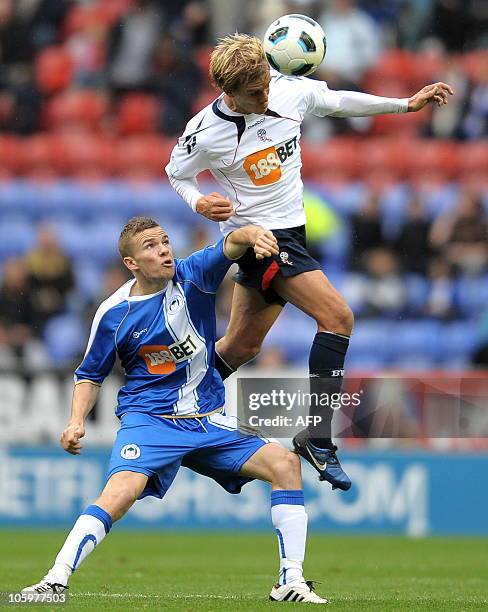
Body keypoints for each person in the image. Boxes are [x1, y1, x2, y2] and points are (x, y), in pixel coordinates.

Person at [165, 33, 454, 490]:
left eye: (265, 83)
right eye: (255, 92)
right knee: (338, 317)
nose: (265, 94)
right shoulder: (205, 131)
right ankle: (319, 437)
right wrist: (199, 203)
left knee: (240, 347)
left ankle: (170, 400)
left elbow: (336, 101)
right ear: (228, 92)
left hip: (292, 235)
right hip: (261, 240)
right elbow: (175, 172)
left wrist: (405, 104)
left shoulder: (285, 89)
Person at [21, 216, 329, 604]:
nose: (163, 250)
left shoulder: (194, 274)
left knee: (286, 464)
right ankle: (54, 580)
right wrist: (75, 421)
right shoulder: (115, 313)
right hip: (151, 421)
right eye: (150, 246)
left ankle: (290, 581)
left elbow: (230, 245)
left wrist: (253, 234)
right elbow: (89, 375)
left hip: (206, 417)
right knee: (120, 493)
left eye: (165, 241)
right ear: (131, 263)